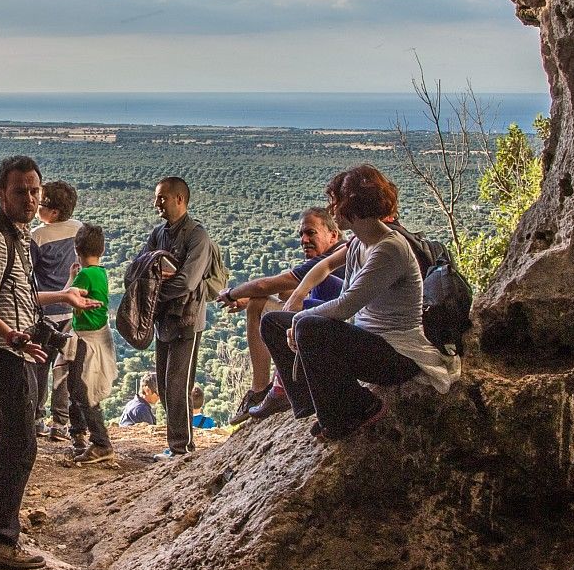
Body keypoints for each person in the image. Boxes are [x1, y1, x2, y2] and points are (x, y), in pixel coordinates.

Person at [0, 155, 94, 570]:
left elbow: (18, 296)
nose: (31, 198)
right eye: (21, 191)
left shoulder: (17, 236)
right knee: (21, 445)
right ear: (2, 193)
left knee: (12, 440)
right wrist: (11, 335)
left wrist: (62, 296)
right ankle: (2, 541)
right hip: (3, 353)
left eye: (35, 190)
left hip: (15, 348)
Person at [283, 164, 460, 439]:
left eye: (335, 202)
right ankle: (313, 404)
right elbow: (342, 296)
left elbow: (346, 306)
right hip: (371, 339)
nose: (332, 210)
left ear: (352, 206)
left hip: (398, 354)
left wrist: (300, 318)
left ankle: (356, 410)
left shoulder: (390, 248)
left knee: (308, 327)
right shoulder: (358, 243)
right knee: (272, 322)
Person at [221, 207, 346, 424]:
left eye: (311, 233)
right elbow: (287, 292)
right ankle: (270, 388)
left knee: (259, 305)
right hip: (333, 320)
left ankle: (262, 390)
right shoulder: (337, 253)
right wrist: (249, 298)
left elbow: (265, 285)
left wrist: (232, 293)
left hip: (333, 325)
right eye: (301, 234)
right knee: (261, 300)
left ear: (333, 234)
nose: (304, 239)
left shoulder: (334, 257)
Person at [139, 176, 219, 459]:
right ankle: (175, 443)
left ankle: (181, 448)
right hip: (164, 320)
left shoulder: (197, 236)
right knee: (163, 382)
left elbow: (187, 281)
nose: (156, 203)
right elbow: (139, 269)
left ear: (180, 200)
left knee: (178, 384)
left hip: (188, 319)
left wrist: (155, 289)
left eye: (162, 197)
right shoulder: (159, 234)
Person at [30, 180, 85, 440]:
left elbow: (28, 273)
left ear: (52, 212)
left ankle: (36, 419)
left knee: (40, 365)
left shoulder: (38, 236)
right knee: (64, 369)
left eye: (39, 202)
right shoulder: (80, 230)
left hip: (45, 311)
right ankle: (60, 423)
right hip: (73, 311)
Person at [61, 224, 117, 464]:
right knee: (78, 387)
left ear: (77, 249)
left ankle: (100, 441)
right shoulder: (100, 273)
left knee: (81, 390)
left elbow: (66, 300)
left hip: (86, 340)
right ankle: (79, 434)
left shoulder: (85, 275)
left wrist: (71, 279)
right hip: (96, 336)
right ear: (102, 251)